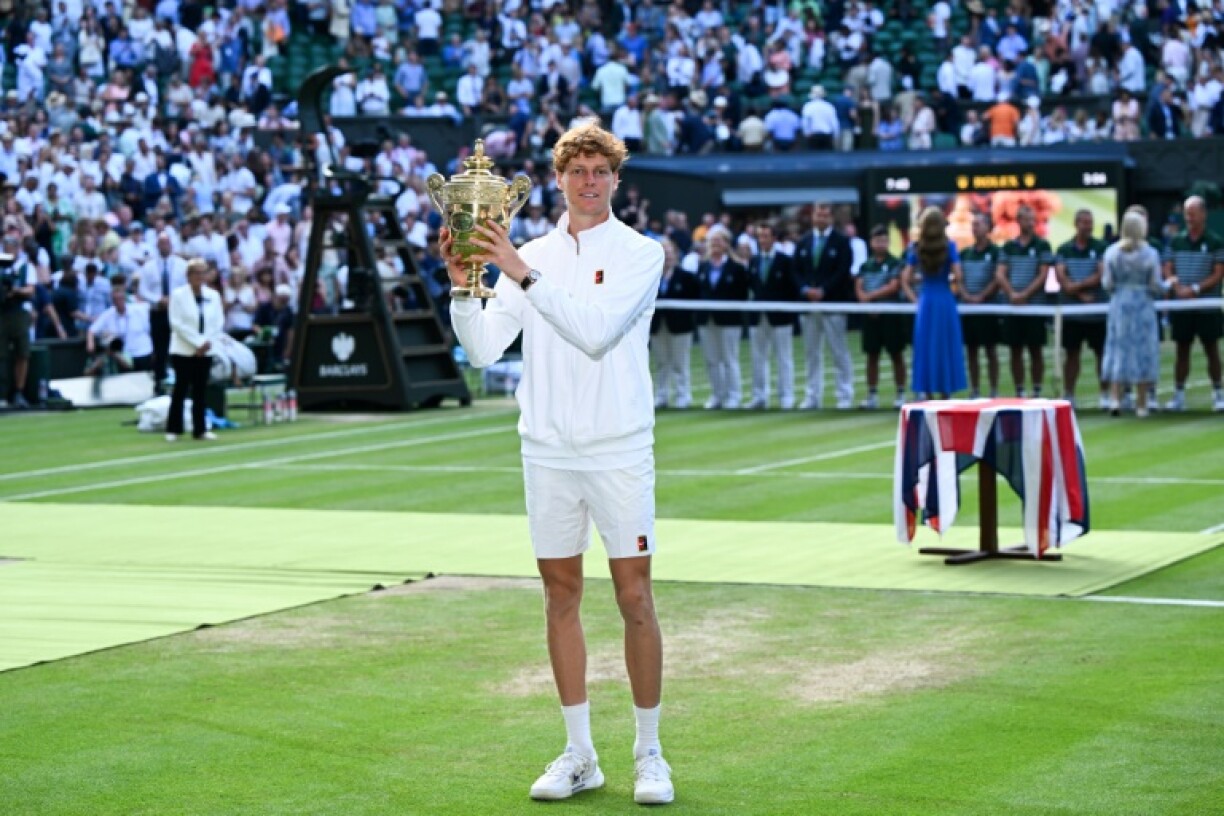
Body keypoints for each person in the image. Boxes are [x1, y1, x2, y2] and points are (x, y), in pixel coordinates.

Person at [444, 121, 674, 805]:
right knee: (560, 596)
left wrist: (517, 268)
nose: (589, 181)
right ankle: (580, 754)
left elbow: (597, 334)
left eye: (600, 170)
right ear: (559, 178)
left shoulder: (640, 253)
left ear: (615, 179)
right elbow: (485, 349)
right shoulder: (531, 251)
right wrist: (465, 289)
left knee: (634, 596)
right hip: (546, 449)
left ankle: (650, 752)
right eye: (577, 170)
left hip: (619, 447)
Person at [1162, 195, 1224, 412]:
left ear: (1203, 214)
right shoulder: (1176, 240)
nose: (1189, 218)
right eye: (1187, 213)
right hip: (1183, 307)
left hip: (1207, 306)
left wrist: (1196, 289)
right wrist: (1177, 286)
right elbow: (1168, 268)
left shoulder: (1215, 241)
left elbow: (1218, 273)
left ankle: (1219, 394)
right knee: (1182, 351)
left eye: (1193, 213)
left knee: (1211, 350)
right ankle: (1178, 396)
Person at [794, 201, 855, 409]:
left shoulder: (841, 242)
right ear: (813, 217)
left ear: (830, 217)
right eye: (818, 215)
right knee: (811, 353)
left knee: (838, 351)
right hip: (808, 307)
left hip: (833, 304)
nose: (821, 218)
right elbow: (796, 271)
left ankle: (844, 394)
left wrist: (824, 291)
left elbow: (842, 271)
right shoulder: (804, 242)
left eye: (825, 215)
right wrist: (805, 289)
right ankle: (812, 396)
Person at [1102, 211, 1164, 417]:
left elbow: (1107, 283)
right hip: (1142, 304)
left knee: (1118, 349)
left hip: (1119, 304)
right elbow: (1156, 285)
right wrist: (1168, 285)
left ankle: (1115, 399)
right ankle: (1141, 403)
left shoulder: (1111, 253)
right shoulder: (1150, 254)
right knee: (1143, 350)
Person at [902, 207, 967, 398]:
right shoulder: (950, 247)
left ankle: (927, 393)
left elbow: (906, 278)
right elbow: (958, 275)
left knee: (927, 347)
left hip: (926, 301)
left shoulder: (916, 248)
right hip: (944, 300)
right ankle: (946, 392)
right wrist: (952, 283)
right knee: (944, 346)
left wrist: (915, 296)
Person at [1054, 209, 1110, 409]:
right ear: (1076, 224)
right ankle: (1069, 394)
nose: (1088, 226)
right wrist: (1080, 295)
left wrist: (1075, 288)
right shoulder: (1063, 249)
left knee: (1102, 354)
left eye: (1090, 222)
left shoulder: (1101, 247)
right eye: (1084, 222)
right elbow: (1062, 279)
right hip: (1073, 313)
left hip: (1096, 313)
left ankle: (1105, 393)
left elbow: (1100, 275)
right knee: (1072, 355)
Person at [996, 205, 1053, 397]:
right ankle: (1019, 390)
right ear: (1018, 221)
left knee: (1035, 349)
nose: (1029, 223)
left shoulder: (1042, 245)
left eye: (1032, 220)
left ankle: (1037, 389)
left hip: (1035, 307)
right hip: (1013, 308)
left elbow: (1043, 274)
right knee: (1015, 350)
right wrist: (1012, 293)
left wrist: (1025, 295)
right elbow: (1001, 274)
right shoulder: (1008, 247)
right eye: (1026, 219)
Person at [166, 258, 224, 441]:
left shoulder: (213, 295)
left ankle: (200, 429)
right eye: (196, 273)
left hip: (206, 350)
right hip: (183, 349)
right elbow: (177, 323)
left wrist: (206, 343)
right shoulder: (178, 295)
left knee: (201, 390)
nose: (200, 276)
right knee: (181, 389)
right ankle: (173, 429)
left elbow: (217, 322)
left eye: (203, 272)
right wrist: (197, 342)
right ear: (189, 275)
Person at [746, 221, 799, 410]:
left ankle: (786, 396)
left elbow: (793, 288)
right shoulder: (753, 261)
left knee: (783, 357)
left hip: (781, 318)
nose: (763, 240)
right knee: (758, 357)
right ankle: (760, 396)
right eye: (760, 236)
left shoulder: (785, 261)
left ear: (774, 238)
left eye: (766, 236)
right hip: (758, 317)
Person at [855, 224, 907, 408]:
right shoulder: (865, 265)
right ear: (871, 242)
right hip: (870, 317)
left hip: (890, 315)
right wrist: (866, 302)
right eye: (877, 240)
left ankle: (901, 393)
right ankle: (872, 395)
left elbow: (893, 286)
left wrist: (870, 297)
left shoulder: (895, 263)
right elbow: (859, 286)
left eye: (884, 240)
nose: (880, 244)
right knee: (872, 355)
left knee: (896, 354)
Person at [697, 229, 749, 410]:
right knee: (712, 360)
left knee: (729, 359)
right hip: (707, 320)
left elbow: (742, 294)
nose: (715, 244)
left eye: (719, 241)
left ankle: (733, 396)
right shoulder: (702, 266)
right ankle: (717, 395)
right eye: (712, 241)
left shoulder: (737, 267)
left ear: (727, 244)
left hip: (729, 320)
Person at [651, 238, 700, 410]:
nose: (667, 256)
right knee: (661, 363)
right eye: (663, 252)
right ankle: (661, 396)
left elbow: (694, 301)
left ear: (675, 254)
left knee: (680, 362)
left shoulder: (687, 277)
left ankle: (683, 396)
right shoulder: (650, 277)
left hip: (680, 327)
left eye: (670, 252)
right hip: (657, 326)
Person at [958, 213, 1002, 398]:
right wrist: (967, 296)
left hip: (988, 307)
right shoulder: (965, 253)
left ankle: (993, 390)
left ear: (988, 228)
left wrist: (982, 296)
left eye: (979, 224)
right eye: (973, 225)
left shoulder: (995, 252)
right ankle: (974, 389)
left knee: (990, 350)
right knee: (971, 350)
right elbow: (959, 279)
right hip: (969, 309)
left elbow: (997, 278)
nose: (975, 228)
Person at [85, 281, 155, 376]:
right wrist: (90, 343)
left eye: (120, 299)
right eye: (115, 299)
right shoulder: (108, 314)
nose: (118, 302)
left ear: (125, 298)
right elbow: (92, 330)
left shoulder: (139, 309)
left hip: (143, 351)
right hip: (125, 356)